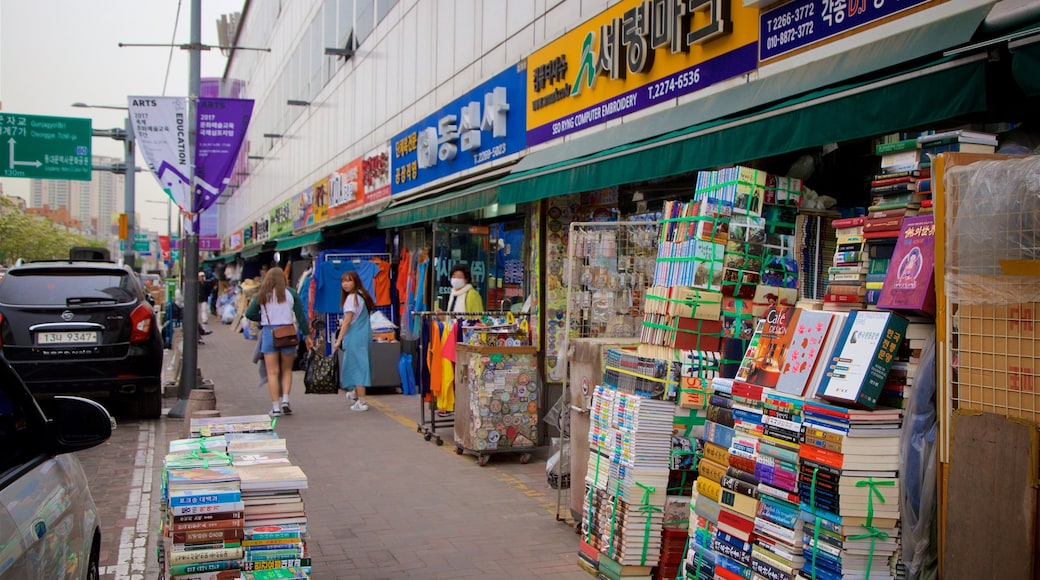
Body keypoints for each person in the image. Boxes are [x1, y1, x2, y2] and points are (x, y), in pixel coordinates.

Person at [245, 267, 309, 417]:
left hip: (269, 333)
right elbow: (300, 315)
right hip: (288, 333)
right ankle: (286, 400)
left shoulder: (262, 295)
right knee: (287, 370)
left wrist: (262, 319)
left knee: (272, 372)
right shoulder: (291, 293)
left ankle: (275, 407)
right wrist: (307, 334)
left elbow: (249, 313)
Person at [332, 270, 374, 412]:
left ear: (355, 281)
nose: (345, 284)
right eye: (343, 281)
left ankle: (362, 401)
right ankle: (356, 393)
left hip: (355, 337)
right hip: (364, 335)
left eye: (348, 281)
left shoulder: (351, 299)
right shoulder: (362, 295)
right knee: (360, 364)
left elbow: (347, 322)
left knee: (357, 367)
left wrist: (338, 340)